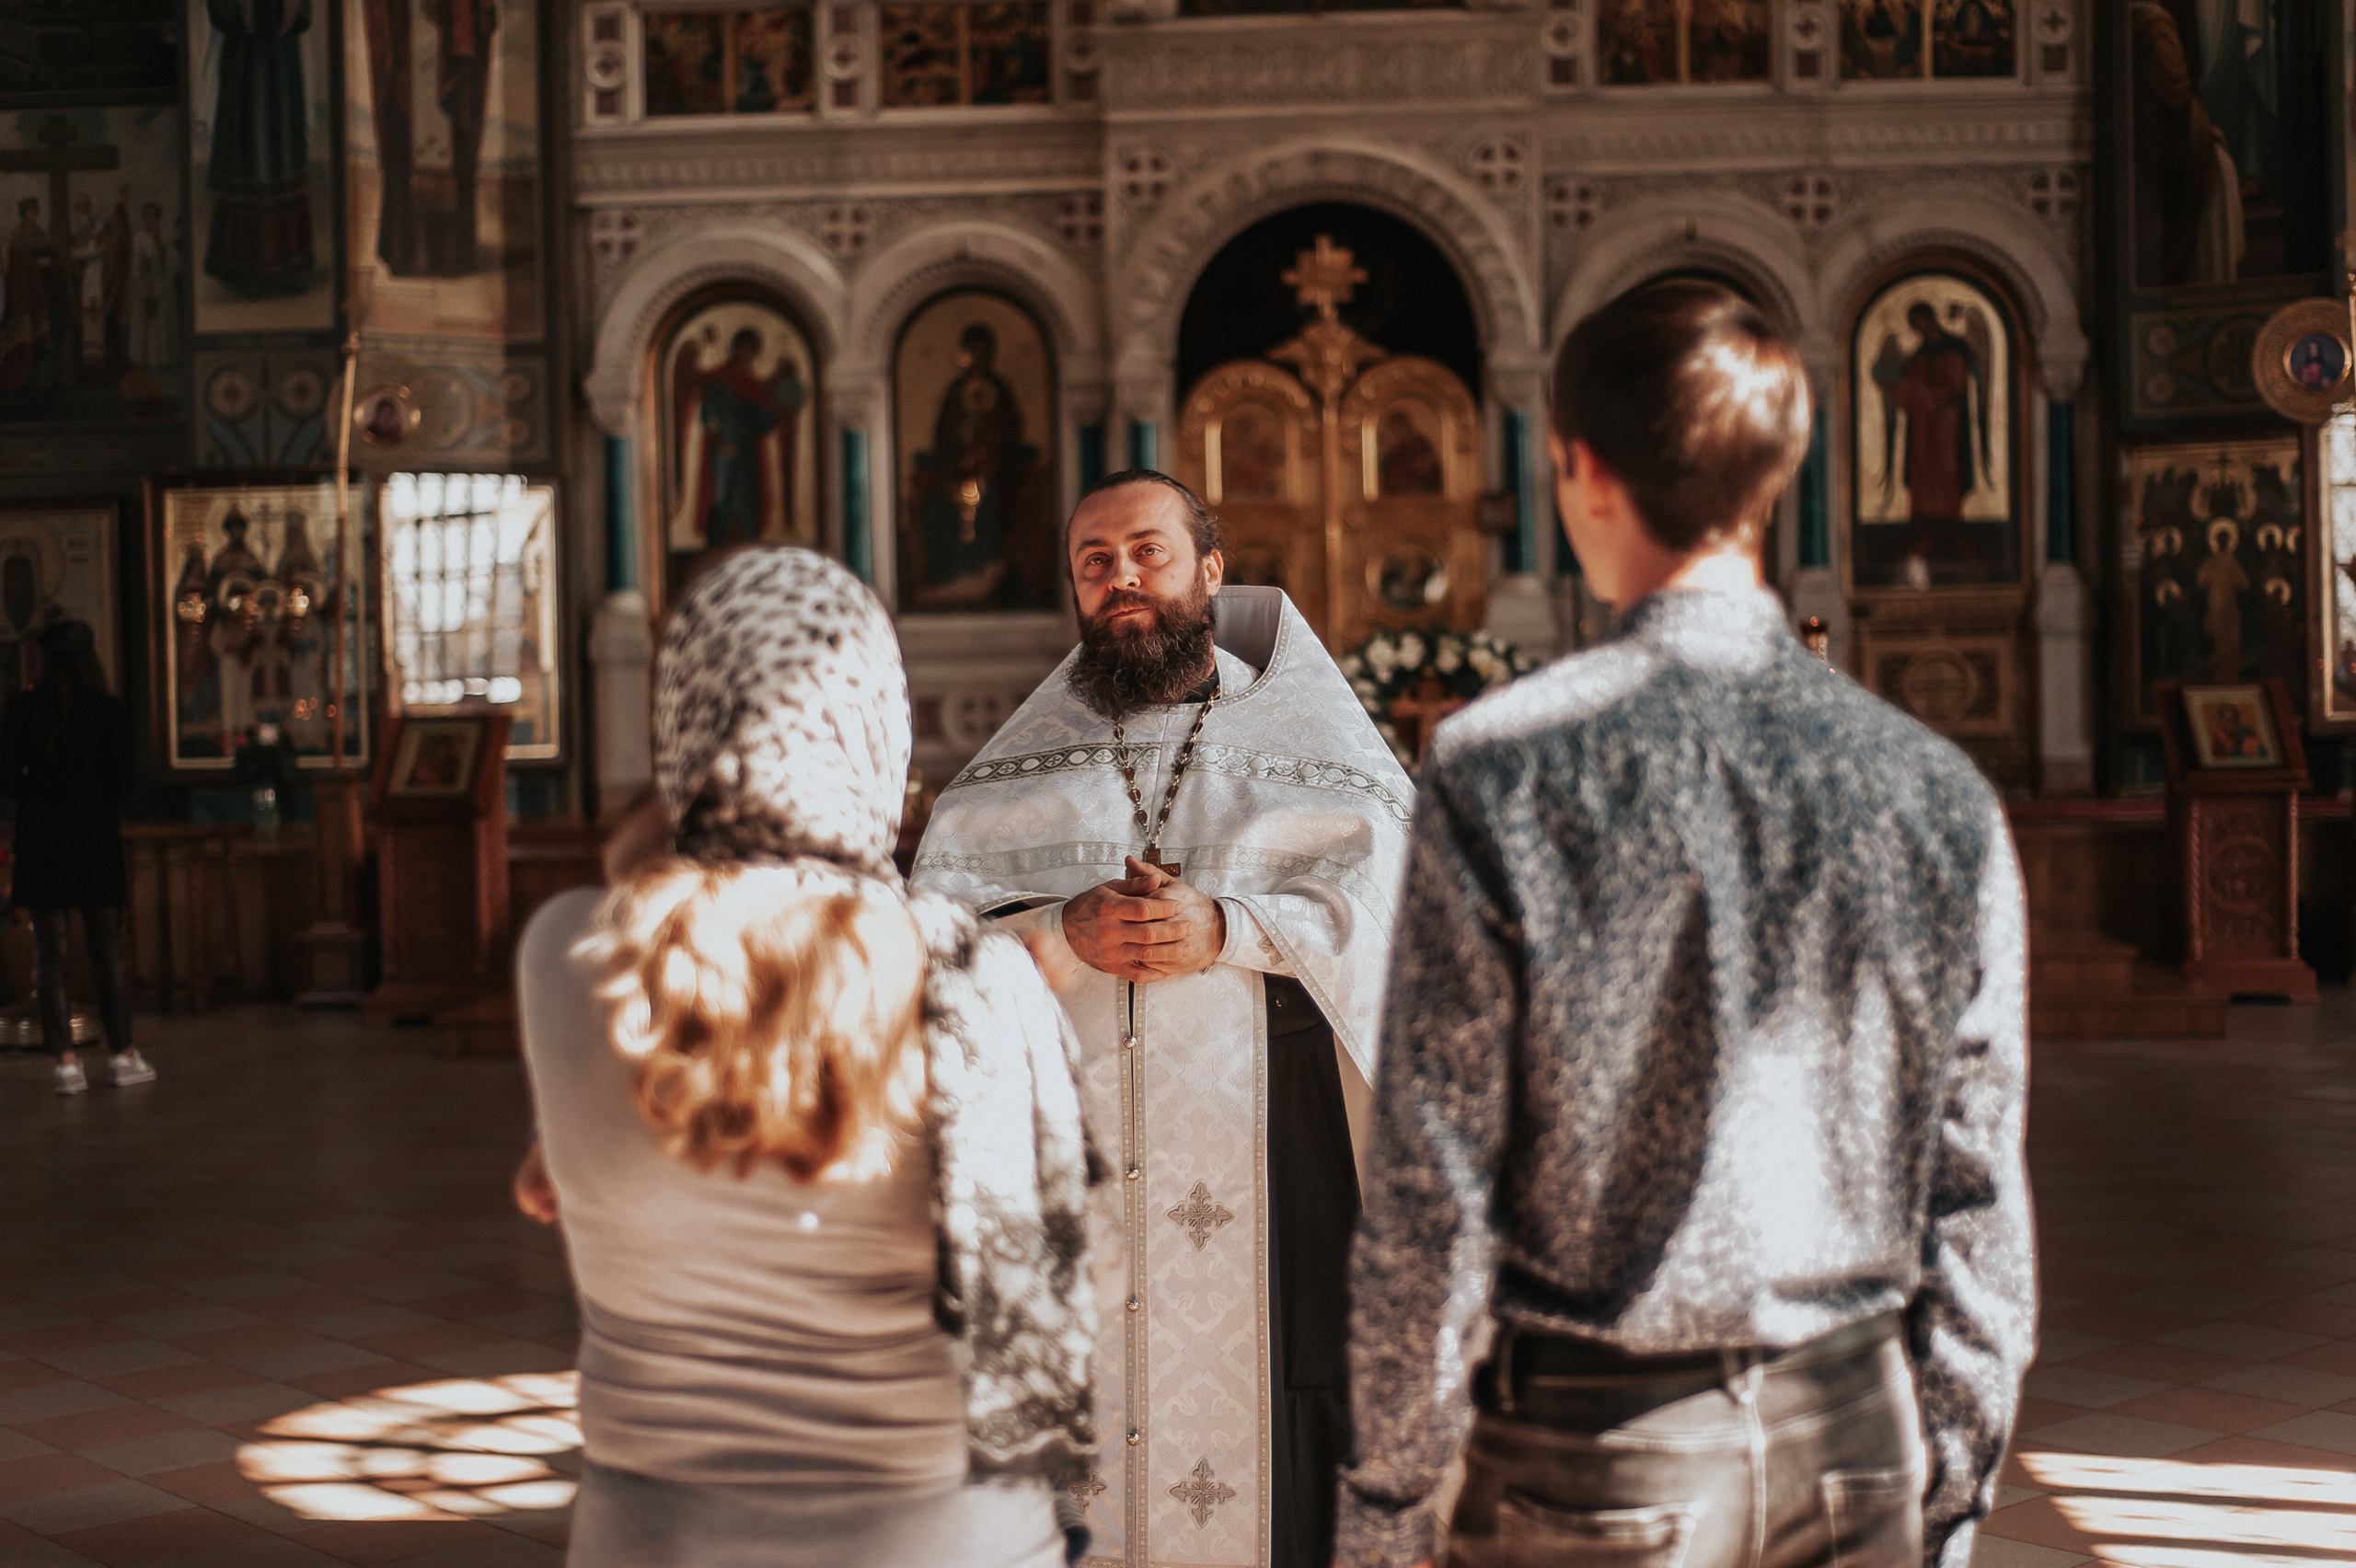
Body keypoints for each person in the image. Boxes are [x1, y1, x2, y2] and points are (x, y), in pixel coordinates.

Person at [1336, 282, 2034, 1568]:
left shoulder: (1506, 770)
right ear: (1772, 480)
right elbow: (1976, 1190)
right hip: (1855, 1430)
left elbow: (1433, 1191)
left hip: (1596, 1449)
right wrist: (1944, 1484)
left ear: (1582, 472)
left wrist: (1387, 1509)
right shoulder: (1934, 786)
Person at [514, 548, 1096, 1568]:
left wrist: (699, 808)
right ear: (883, 730)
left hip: (655, 1539)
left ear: (680, 723)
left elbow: (647, 868)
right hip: (939, 1539)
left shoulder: (566, 955)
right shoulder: (980, 981)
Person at [913, 471, 1413, 1568]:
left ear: (1211, 573)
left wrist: (1230, 928)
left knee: (1286, 1431)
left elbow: (1401, 933)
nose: (1122, 578)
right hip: (1066, 1178)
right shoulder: (1012, 773)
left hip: (1277, 1164)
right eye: (1095, 562)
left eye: (1147, 550)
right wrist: (1056, 926)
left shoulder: (1319, 748)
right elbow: (922, 950)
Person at [0, 620, 153, 1097]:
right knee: (109, 951)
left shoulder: (23, 708)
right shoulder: (107, 709)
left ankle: (66, 1063)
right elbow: (125, 782)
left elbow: (5, 779)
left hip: (42, 837)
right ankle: (122, 1054)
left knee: (52, 957)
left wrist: (40, 788)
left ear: (44, 660)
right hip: (94, 837)